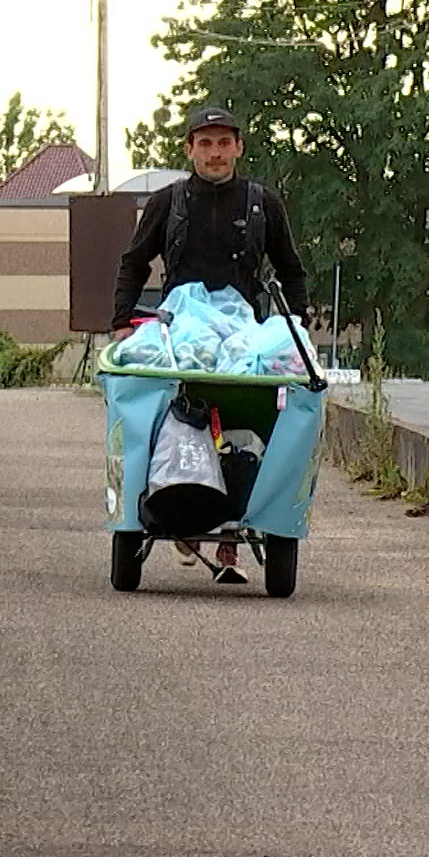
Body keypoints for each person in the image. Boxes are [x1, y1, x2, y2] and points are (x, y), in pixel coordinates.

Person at [110, 105, 310, 582]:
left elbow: (291, 269)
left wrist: (295, 328)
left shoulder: (262, 203)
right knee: (170, 420)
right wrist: (121, 322)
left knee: (243, 428)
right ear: (190, 149)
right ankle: (174, 505)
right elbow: (134, 262)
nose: (215, 153)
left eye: (223, 143)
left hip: (242, 337)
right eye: (205, 143)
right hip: (180, 332)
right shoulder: (167, 203)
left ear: (238, 147)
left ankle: (229, 539)